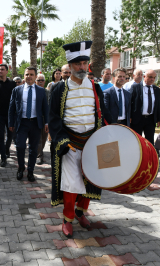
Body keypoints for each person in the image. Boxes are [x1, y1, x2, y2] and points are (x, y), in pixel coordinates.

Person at [49, 41, 113, 237]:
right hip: (70, 143)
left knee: (91, 181)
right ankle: (67, 218)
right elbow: (53, 118)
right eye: (78, 64)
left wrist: (104, 135)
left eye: (85, 63)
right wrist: (62, 141)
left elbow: (101, 114)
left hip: (92, 142)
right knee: (71, 184)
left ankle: (80, 212)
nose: (83, 67)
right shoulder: (59, 89)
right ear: (69, 66)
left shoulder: (95, 87)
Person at [9, 67, 49, 182]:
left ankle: (31, 171)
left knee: (33, 149)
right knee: (20, 146)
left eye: (31, 74)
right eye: (27, 74)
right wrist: (11, 122)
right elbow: (11, 108)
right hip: (21, 123)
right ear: (24, 76)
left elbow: (45, 108)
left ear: (35, 77)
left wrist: (47, 122)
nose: (29, 77)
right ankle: (21, 168)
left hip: (36, 123)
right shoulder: (17, 90)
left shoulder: (41, 91)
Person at [0, 63, 17, 167]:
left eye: (2, 69)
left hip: (11, 115)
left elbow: (16, 100)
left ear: (7, 71)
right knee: (0, 137)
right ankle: (3, 158)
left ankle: (7, 149)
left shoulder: (13, 84)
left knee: (10, 136)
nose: (0, 71)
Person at [130, 69, 160, 146]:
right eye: (150, 77)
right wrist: (130, 116)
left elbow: (158, 105)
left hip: (150, 119)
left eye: (154, 77)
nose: (152, 79)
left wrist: (159, 118)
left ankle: (149, 156)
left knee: (150, 141)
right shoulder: (135, 87)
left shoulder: (157, 90)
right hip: (137, 119)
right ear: (144, 76)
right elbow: (130, 103)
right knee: (137, 140)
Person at [35, 74, 50, 165]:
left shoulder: (48, 92)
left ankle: (40, 151)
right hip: (35, 119)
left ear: (44, 82)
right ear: (35, 81)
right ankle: (39, 155)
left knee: (44, 138)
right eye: (38, 80)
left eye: (42, 80)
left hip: (45, 118)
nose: (40, 82)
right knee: (38, 138)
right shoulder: (32, 91)